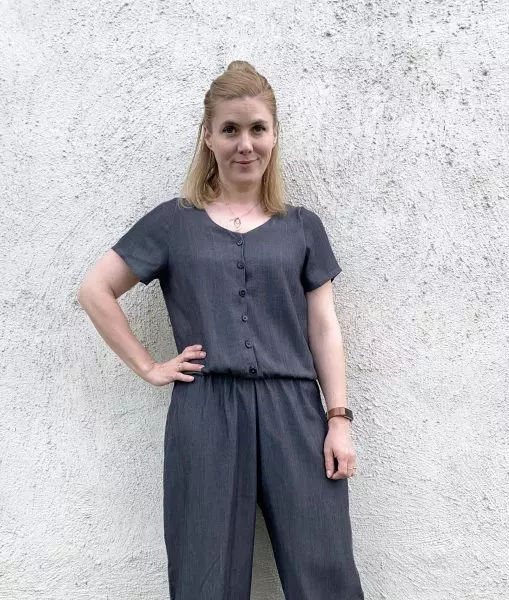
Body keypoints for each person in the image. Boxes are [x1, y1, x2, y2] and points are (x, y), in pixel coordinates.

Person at [78, 60, 364, 600]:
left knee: (323, 569)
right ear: (208, 136)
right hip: (206, 410)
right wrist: (149, 366)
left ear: (274, 135)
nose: (245, 144)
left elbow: (324, 328)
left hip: (295, 411)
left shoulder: (302, 227)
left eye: (257, 128)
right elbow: (95, 290)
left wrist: (338, 419)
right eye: (230, 129)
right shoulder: (173, 222)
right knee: (203, 573)